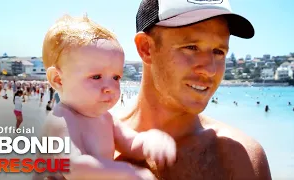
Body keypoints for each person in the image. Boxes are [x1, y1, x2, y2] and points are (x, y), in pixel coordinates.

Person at [115, 0, 272, 179]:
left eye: (219, 51)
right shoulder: (90, 146)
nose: (210, 70)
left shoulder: (241, 157)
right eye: (191, 47)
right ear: (146, 48)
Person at [36, 14, 176, 180]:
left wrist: (149, 142)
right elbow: (74, 167)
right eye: (96, 77)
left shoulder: (106, 119)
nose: (110, 88)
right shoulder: (60, 121)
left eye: (116, 77)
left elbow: (130, 143)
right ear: (58, 80)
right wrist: (126, 172)